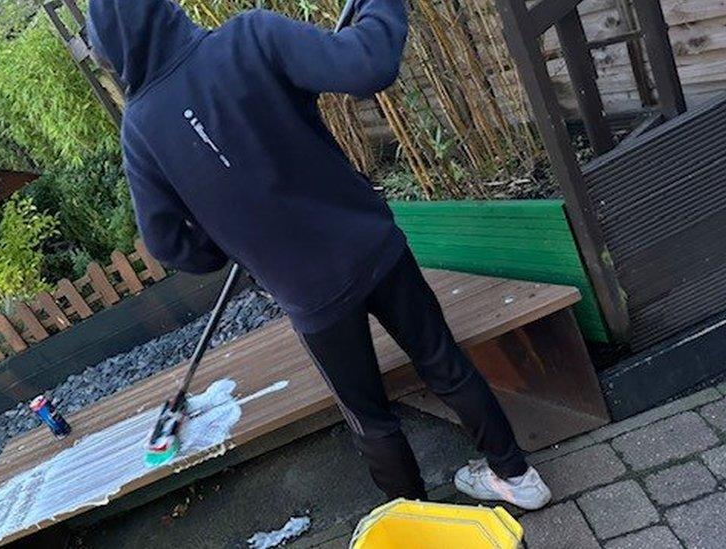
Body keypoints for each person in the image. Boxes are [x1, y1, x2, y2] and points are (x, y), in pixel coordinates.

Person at [86, 0, 552, 510]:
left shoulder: (141, 129)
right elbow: (368, 62)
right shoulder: (250, 38)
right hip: (373, 248)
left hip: (310, 296)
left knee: (368, 417)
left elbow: (168, 243)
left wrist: (228, 242)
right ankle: (517, 477)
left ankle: (418, 525)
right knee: (442, 361)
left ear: (112, 46)